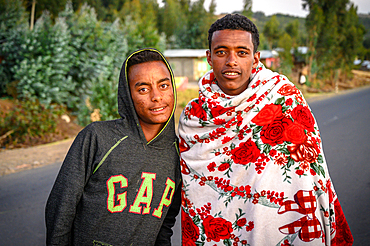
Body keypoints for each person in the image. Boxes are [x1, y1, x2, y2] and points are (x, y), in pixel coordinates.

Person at [178, 14, 353, 245]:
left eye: (242, 52)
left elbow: (311, 172)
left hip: (277, 227)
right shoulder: (194, 117)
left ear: (256, 58)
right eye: (221, 52)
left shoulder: (285, 99)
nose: (232, 61)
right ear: (209, 58)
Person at [45, 48, 181, 246]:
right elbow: (60, 208)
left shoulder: (179, 155)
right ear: (128, 95)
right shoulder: (98, 137)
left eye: (163, 85)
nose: (157, 96)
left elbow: (165, 226)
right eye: (143, 89)